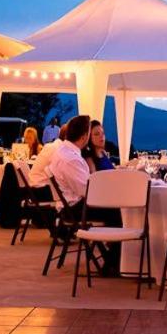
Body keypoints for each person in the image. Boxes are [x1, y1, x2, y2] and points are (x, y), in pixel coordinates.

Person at [51, 115, 123, 275]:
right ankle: (113, 263)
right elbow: (88, 192)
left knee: (116, 208)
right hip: (73, 209)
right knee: (118, 211)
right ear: (84, 136)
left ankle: (116, 259)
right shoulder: (71, 159)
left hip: (70, 204)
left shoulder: (64, 151)